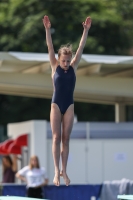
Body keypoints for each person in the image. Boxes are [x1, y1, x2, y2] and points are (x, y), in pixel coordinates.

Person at [42, 15, 92, 186]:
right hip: (56, 105)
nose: (65, 63)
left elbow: (81, 47)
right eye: (63, 60)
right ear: (58, 59)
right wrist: (48, 30)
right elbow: (50, 47)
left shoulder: (73, 67)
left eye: (67, 60)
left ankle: (65, 171)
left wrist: (85, 31)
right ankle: (56, 171)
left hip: (69, 106)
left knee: (66, 139)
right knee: (56, 138)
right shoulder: (54, 65)